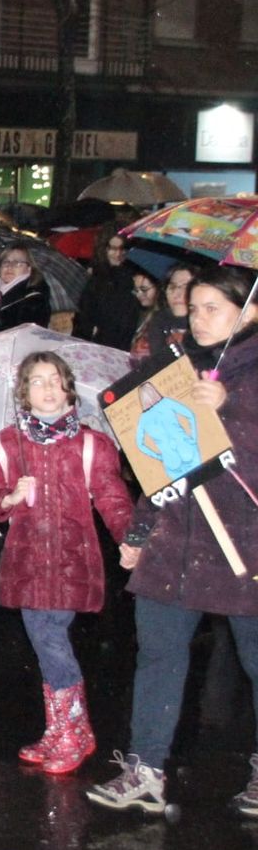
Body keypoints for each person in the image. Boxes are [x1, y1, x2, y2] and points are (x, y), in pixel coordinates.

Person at [87, 265, 258, 818]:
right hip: (175, 539)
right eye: (194, 305)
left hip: (243, 545)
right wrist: (138, 531)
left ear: (249, 311)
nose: (198, 317)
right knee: (158, 654)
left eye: (213, 308)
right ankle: (145, 768)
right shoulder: (179, 369)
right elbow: (161, 461)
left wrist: (229, 406)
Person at [0, 352, 133, 773]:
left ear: (68, 387)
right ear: (23, 392)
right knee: (46, 645)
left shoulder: (92, 445)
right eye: (36, 381)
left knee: (51, 640)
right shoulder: (4, 445)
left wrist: (131, 539)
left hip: (72, 561)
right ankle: (61, 728)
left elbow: (113, 498)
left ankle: (75, 731)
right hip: (26, 564)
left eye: (54, 379)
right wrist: (6, 498)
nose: (46, 388)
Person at [73, 233, 139, 350]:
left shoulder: (134, 278)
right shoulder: (97, 278)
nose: (118, 254)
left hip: (119, 342)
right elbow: (85, 313)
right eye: (113, 249)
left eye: (122, 249)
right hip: (95, 342)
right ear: (104, 249)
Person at [0, 245, 51, 338]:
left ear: (29, 269)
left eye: (18, 263)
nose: (10, 267)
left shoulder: (35, 300)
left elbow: (28, 335)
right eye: (6, 262)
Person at [134, 264, 192, 364]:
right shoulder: (159, 320)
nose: (177, 294)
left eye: (185, 287)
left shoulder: (204, 327)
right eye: (172, 287)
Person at [127, 271, 163, 362]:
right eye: (136, 290)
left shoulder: (162, 319)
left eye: (144, 289)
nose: (139, 294)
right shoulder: (142, 313)